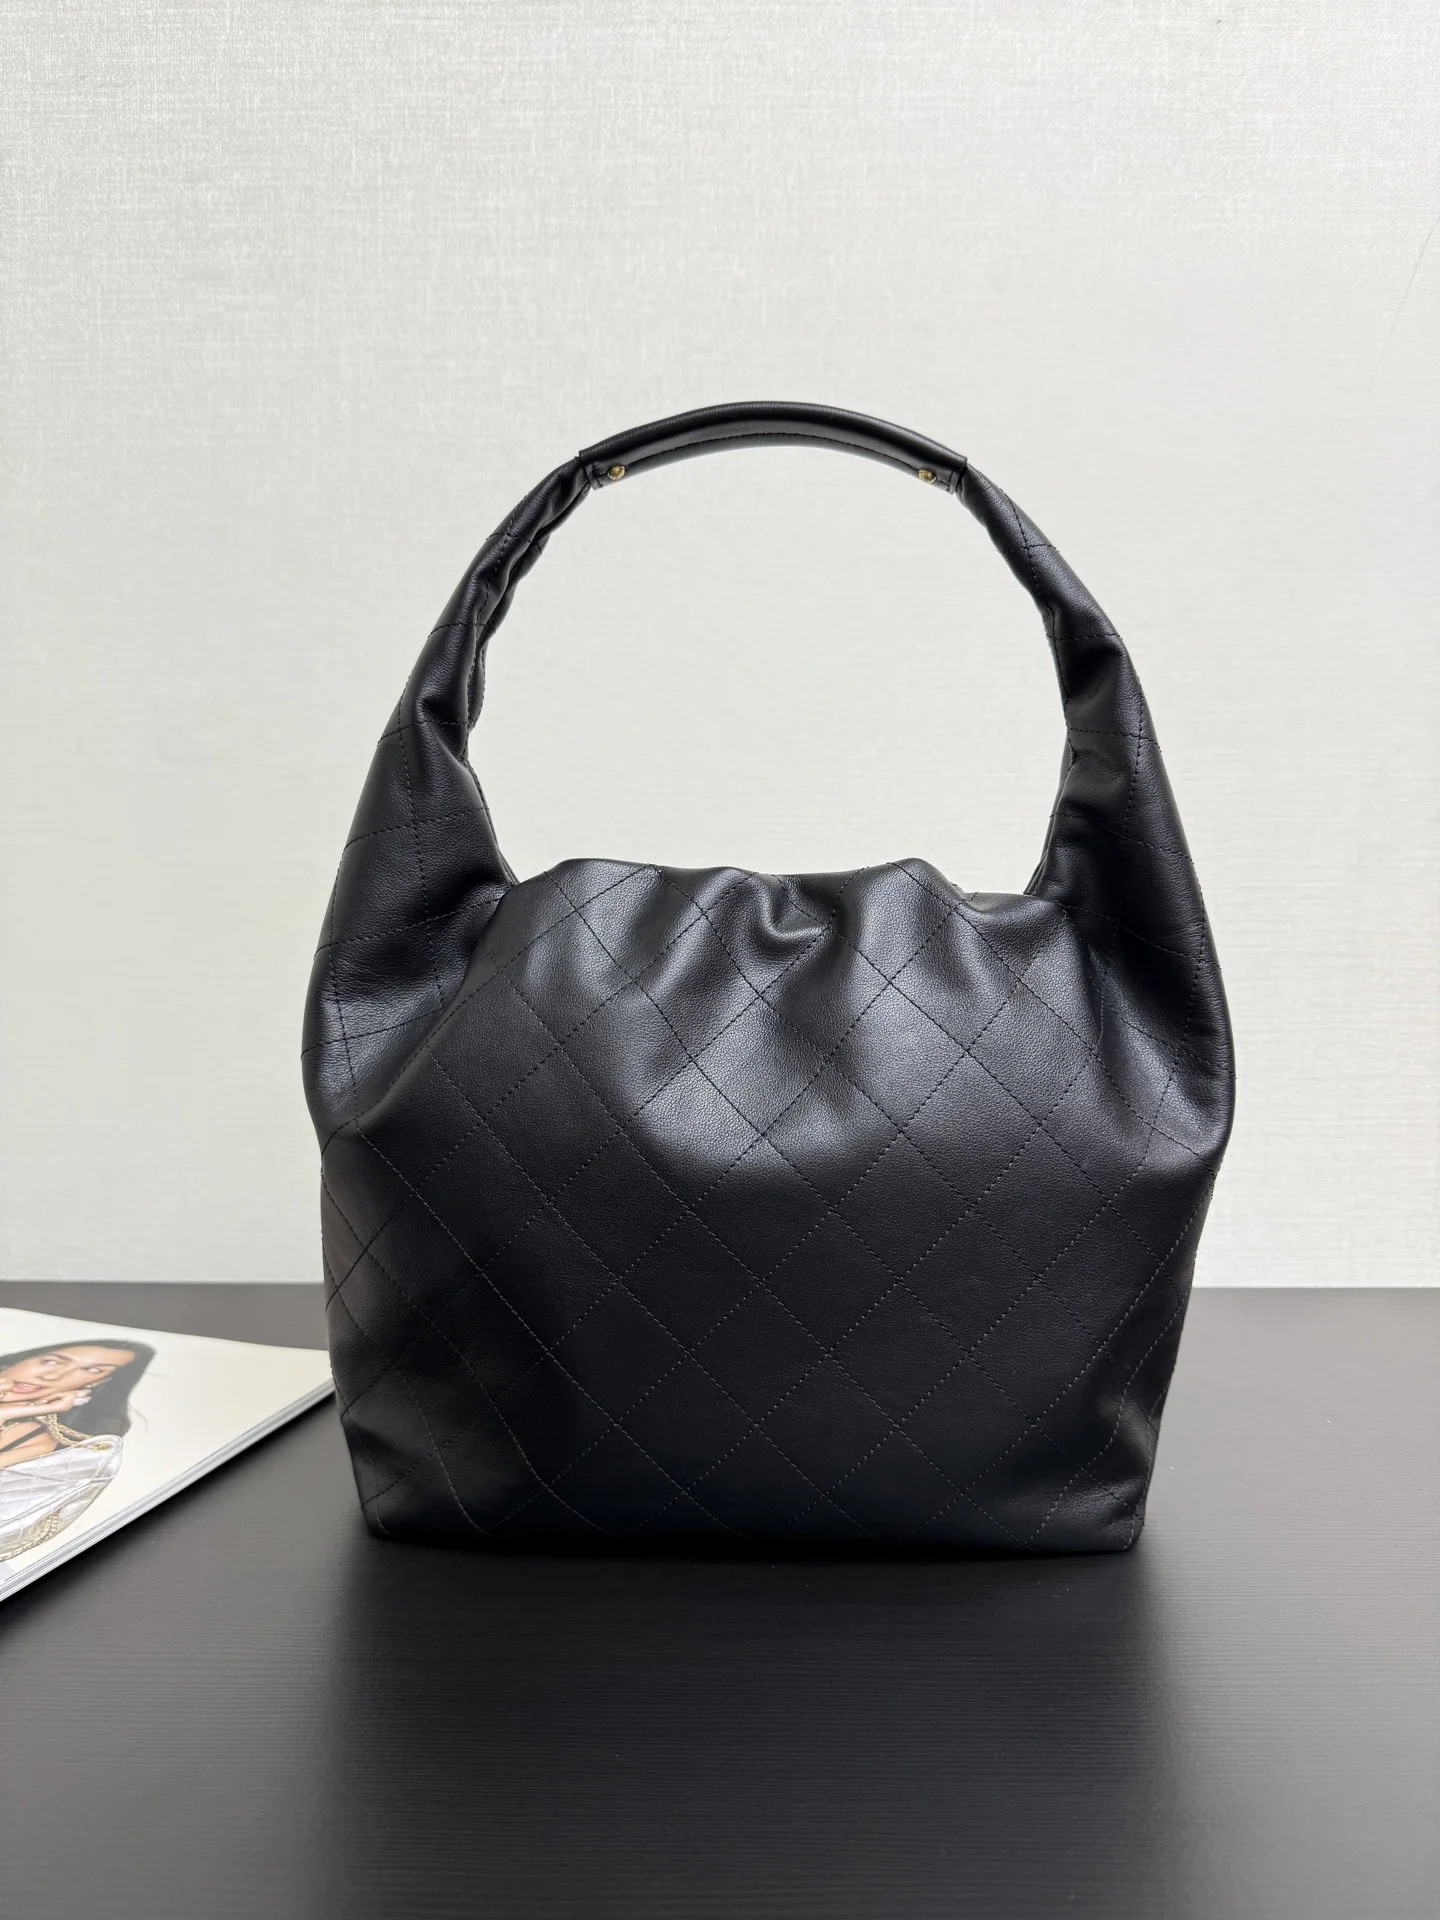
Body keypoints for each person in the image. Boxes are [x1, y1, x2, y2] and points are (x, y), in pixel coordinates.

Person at [0, 1340, 154, 1561]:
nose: (52, 1376)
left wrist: (7, 1414)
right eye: (51, 1361)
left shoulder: (38, 1440)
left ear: (99, 1384)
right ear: (19, 1360)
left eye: (92, 1370)